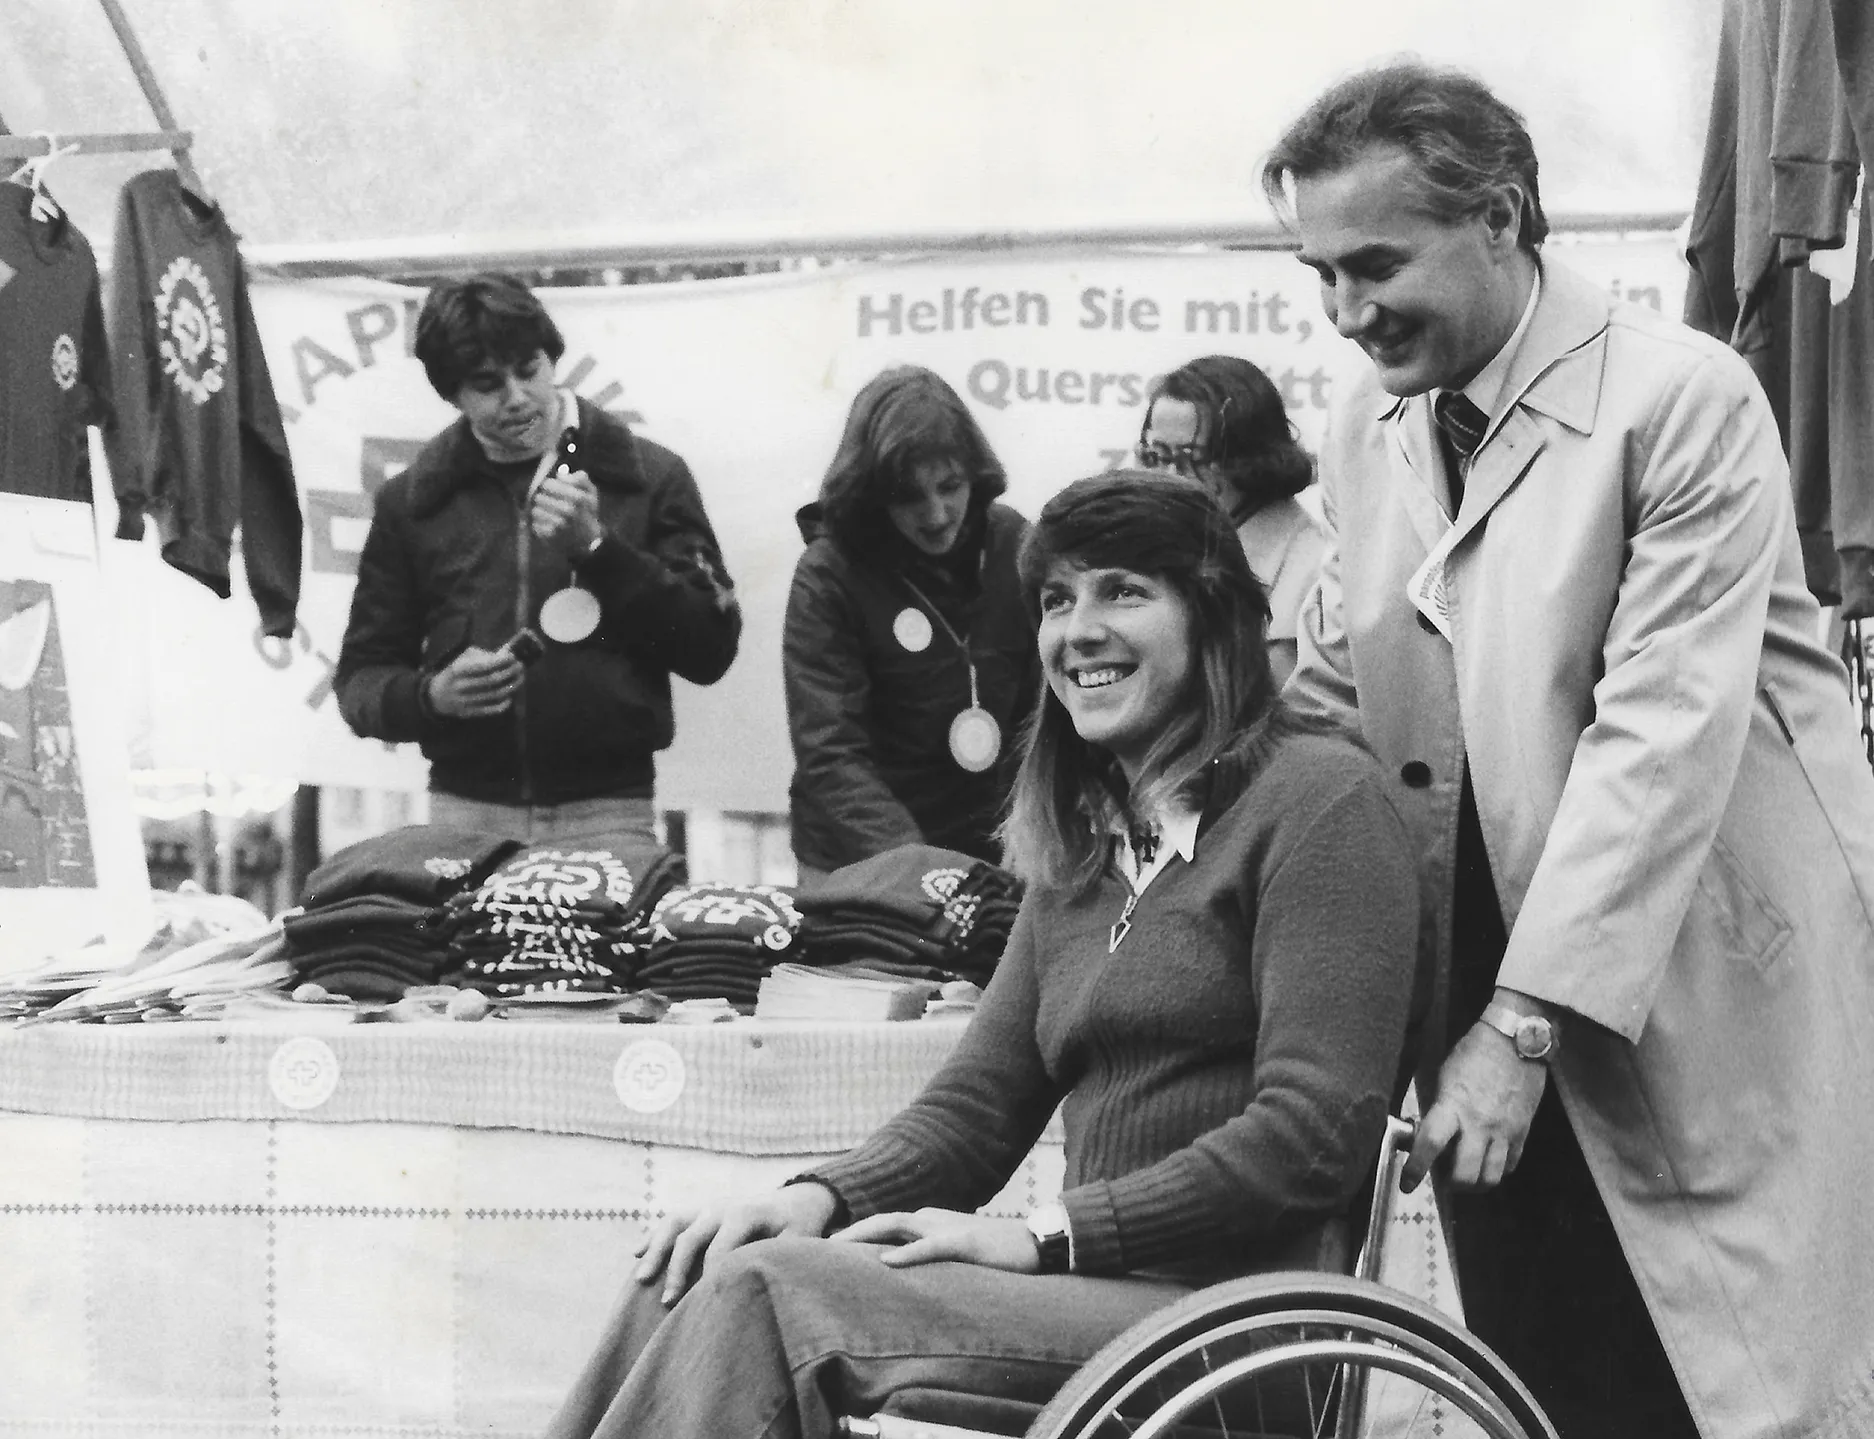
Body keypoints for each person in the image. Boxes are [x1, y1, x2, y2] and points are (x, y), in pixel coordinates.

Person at [546, 472, 1426, 1439]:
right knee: (702, 1263)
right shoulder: (1085, 842)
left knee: (772, 1295)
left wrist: (1048, 1236)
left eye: (1123, 590)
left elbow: (1313, 1134)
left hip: (1240, 1324)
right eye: (1056, 599)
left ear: (1214, 616)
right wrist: (813, 1197)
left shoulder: (1321, 803)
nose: (1077, 630)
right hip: (1095, 1296)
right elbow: (977, 1107)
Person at [1265, 61, 1874, 1439]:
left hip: (1696, 974)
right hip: (1482, 970)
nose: (1346, 313)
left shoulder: (1683, 400)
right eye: (1320, 276)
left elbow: (1655, 740)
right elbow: (1331, 690)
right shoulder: (1369, 425)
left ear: (1500, 218)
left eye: (1373, 264)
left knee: (1741, 1375)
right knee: (1550, 1362)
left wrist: (1523, 1020)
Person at [334, 273, 739, 867]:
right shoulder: (413, 502)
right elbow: (360, 681)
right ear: (452, 394)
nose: (517, 397)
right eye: (487, 384)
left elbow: (711, 649)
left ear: (553, 358)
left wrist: (600, 552)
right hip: (463, 818)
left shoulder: (650, 477)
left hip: (612, 816)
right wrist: (430, 696)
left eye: (529, 368)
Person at [783, 366, 1037, 881]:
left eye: (950, 486)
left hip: (997, 854)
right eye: (909, 496)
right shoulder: (828, 574)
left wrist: (1033, 834)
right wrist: (921, 871)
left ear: (975, 474)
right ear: (872, 494)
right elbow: (832, 753)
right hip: (860, 862)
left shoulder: (1016, 545)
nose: (938, 513)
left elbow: (1042, 717)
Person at [1136, 355, 1326, 684]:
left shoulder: (1313, 572)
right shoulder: (1159, 544)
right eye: (1157, 456)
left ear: (1250, 459)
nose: (1168, 479)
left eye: (1191, 460)